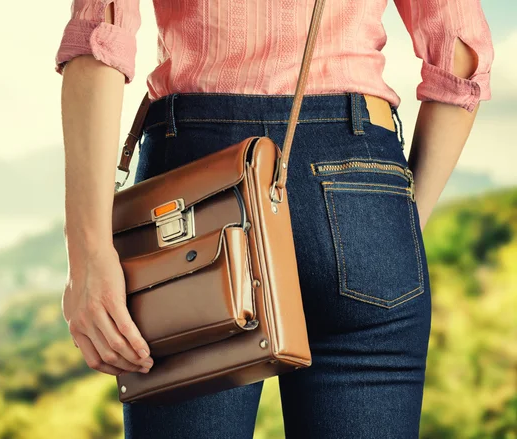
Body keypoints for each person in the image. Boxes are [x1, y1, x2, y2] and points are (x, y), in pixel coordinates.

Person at [54, 0, 494, 437]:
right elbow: (460, 55)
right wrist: (393, 222)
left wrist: (90, 252)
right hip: (359, 181)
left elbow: (100, 37)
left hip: (197, 189)